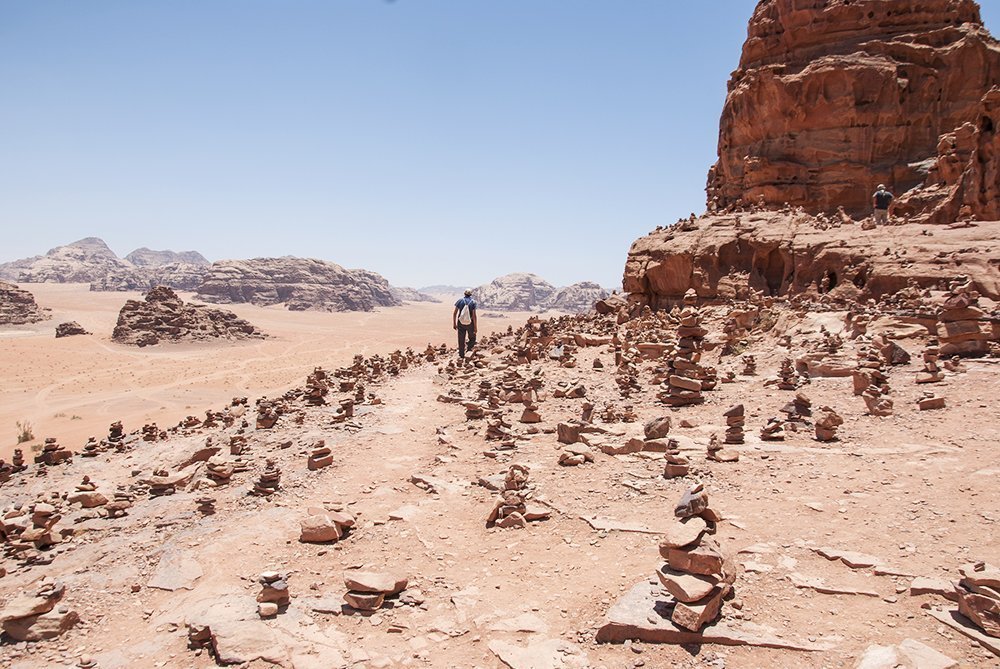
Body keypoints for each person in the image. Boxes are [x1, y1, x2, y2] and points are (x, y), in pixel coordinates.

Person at [453, 289, 477, 360]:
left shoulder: (460, 301)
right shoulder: (473, 302)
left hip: (460, 323)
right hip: (470, 323)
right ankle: (469, 352)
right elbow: (474, 315)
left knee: (461, 339)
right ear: (471, 294)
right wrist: (475, 327)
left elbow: (455, 313)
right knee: (472, 338)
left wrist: (454, 323)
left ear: (464, 294)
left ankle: (461, 355)